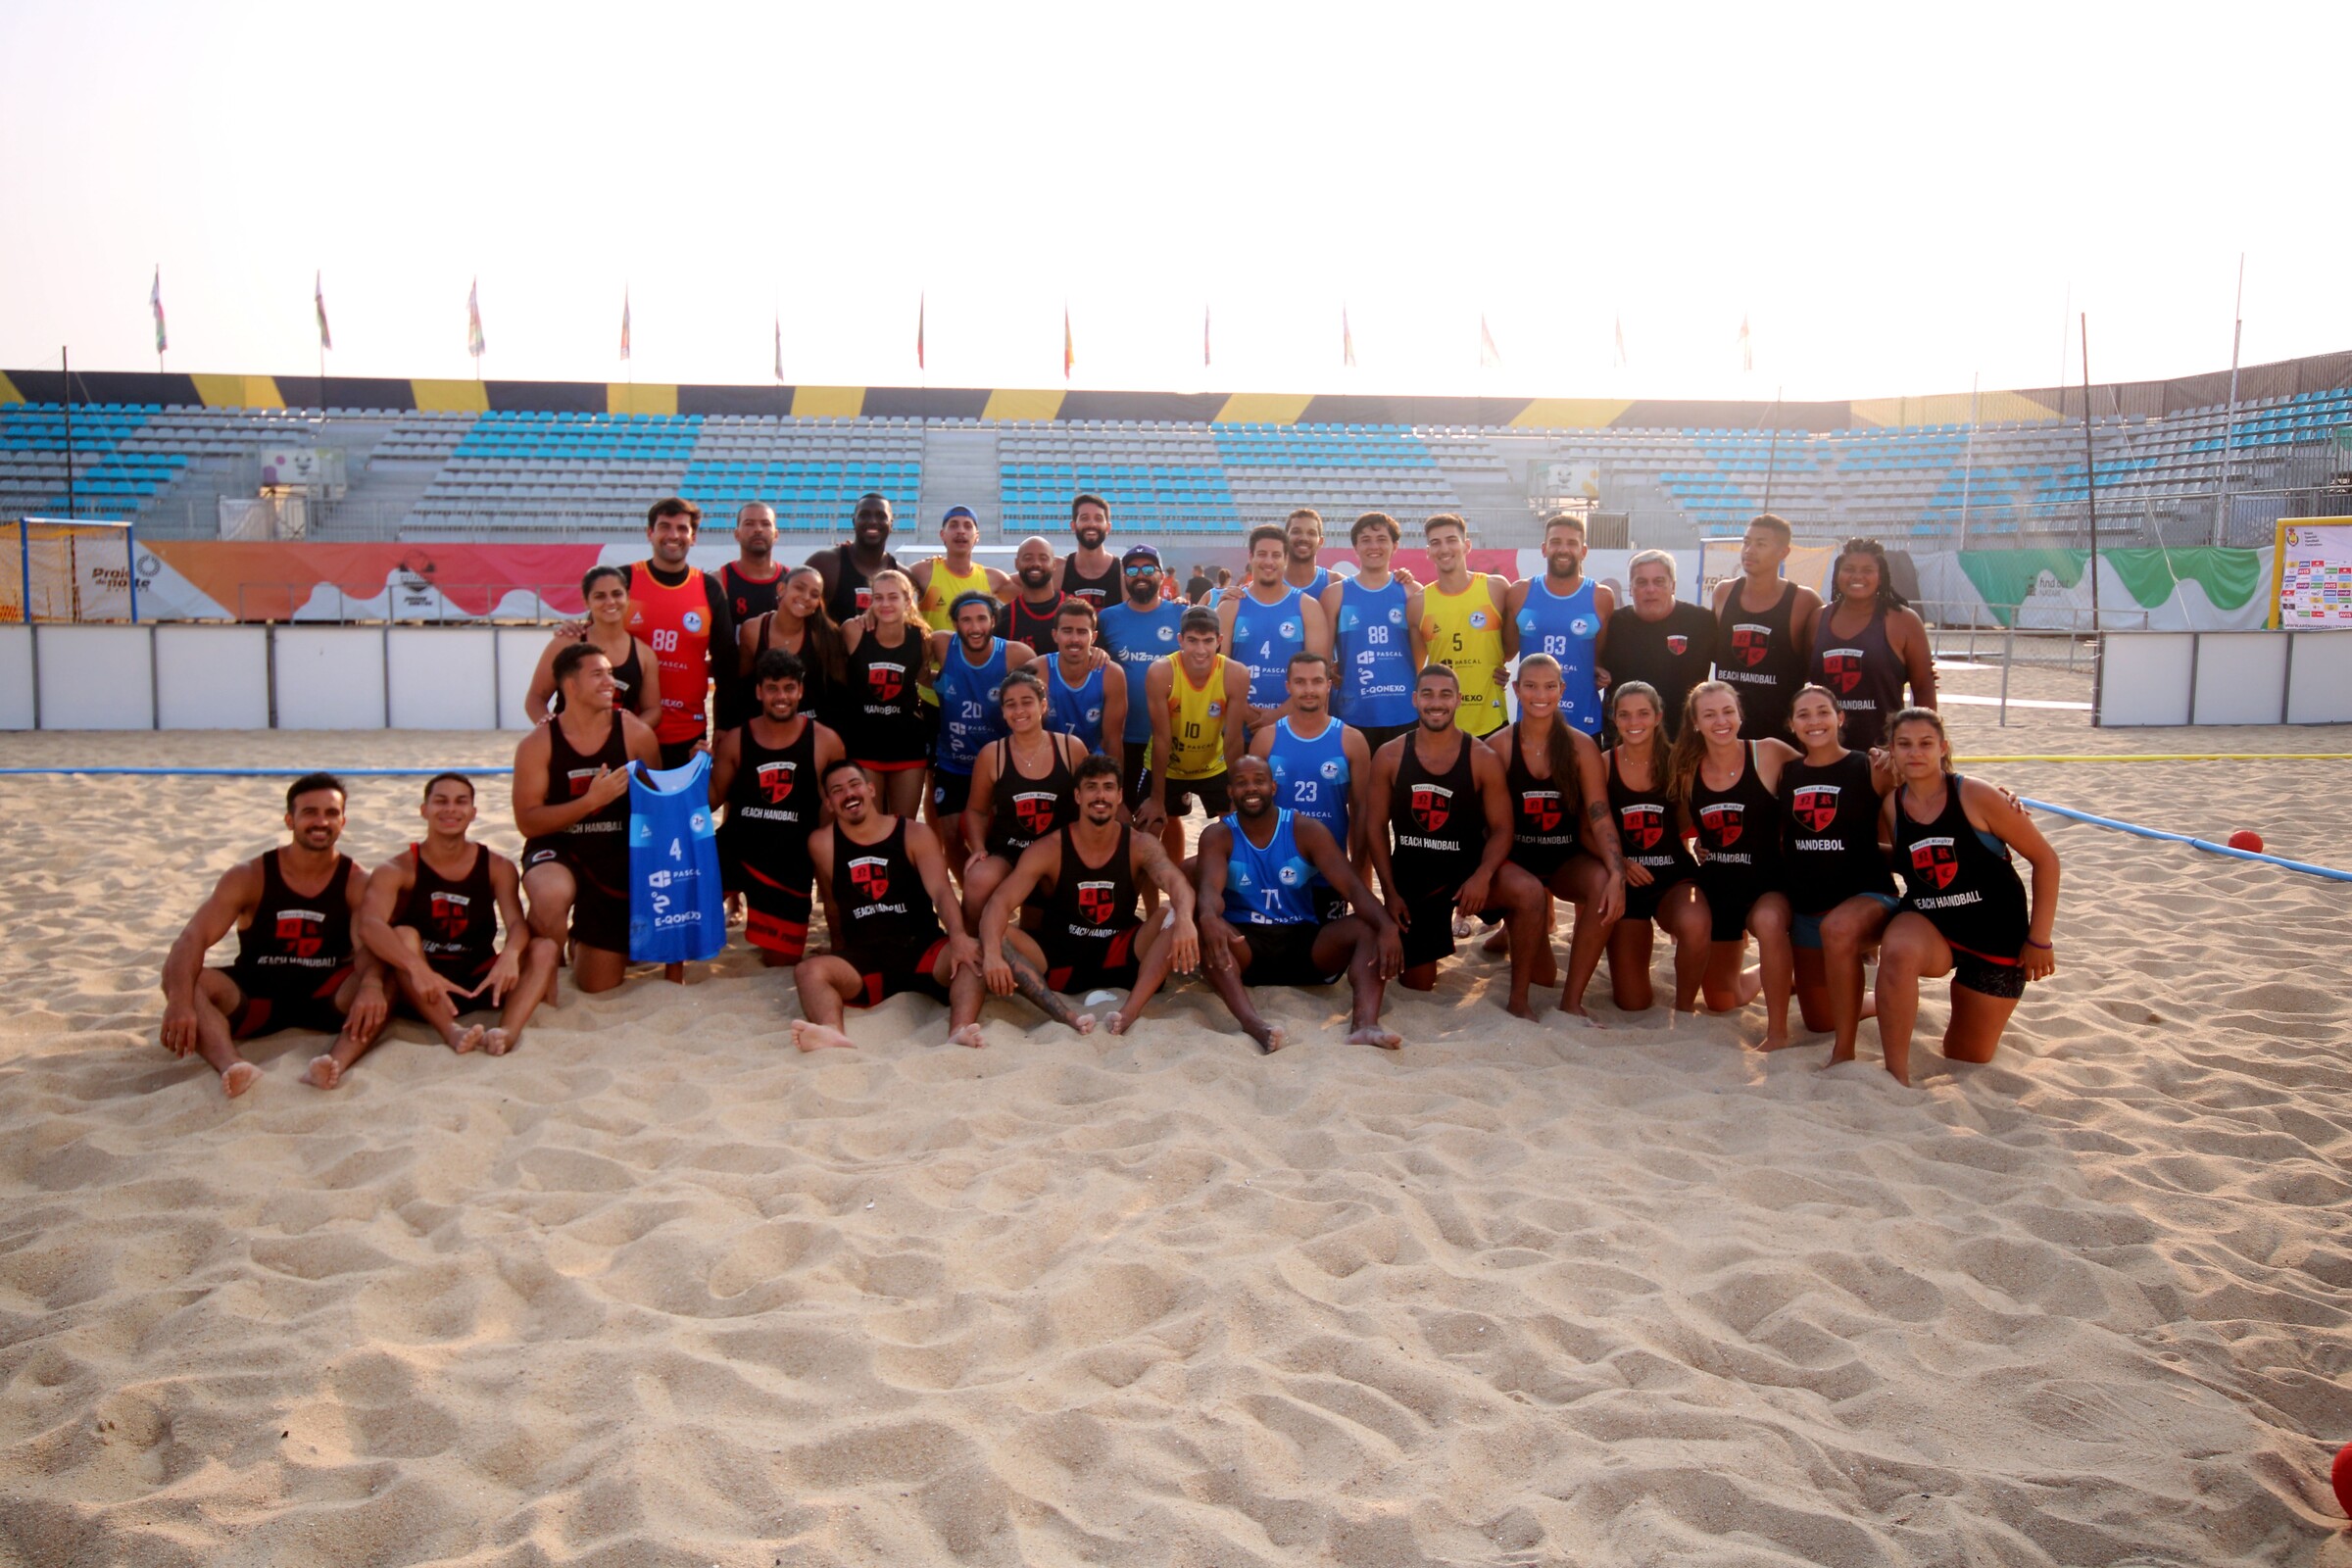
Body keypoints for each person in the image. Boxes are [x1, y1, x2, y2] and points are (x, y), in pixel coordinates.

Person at [158, 772, 386, 1098]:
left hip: (328, 1000)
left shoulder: (356, 881)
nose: (321, 821)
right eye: (310, 812)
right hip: (256, 998)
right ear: (289, 820)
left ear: (343, 821)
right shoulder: (248, 876)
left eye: (331, 813)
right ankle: (232, 1065)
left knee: (384, 979)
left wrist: (372, 985)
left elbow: (368, 948)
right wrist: (179, 1003)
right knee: (181, 978)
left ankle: (334, 1062)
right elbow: (192, 939)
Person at [1869, 708, 2059, 1085]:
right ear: (1892, 751)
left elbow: (2046, 860)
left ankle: (1883, 1003)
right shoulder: (1892, 804)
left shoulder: (1976, 794)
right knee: (1898, 949)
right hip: (1933, 926)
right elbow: (1909, 862)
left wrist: (2040, 939)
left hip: (1995, 937)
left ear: (1943, 747)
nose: (1915, 753)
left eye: (1925, 743)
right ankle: (1896, 1076)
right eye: (1904, 744)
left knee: (1965, 1054)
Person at [1365, 663, 1550, 1017]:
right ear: (1415, 699)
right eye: (1429, 694)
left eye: (1446, 694)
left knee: (1530, 894)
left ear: (1459, 701)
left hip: (1469, 872)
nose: (1437, 702)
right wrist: (1389, 892)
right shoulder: (1389, 756)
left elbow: (1502, 829)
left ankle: (1518, 998)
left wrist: (1482, 875)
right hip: (1415, 880)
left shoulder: (1482, 758)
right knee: (1418, 985)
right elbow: (1374, 828)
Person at [977, 753, 1201, 1036]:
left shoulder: (1139, 845)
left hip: (1120, 954)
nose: (1100, 795)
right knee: (994, 936)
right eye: (1092, 787)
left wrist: (1184, 919)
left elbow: (1176, 882)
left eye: (1108, 787)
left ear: (1120, 796)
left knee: (1172, 914)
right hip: (1060, 959)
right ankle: (1064, 1014)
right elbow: (1000, 902)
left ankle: (1128, 1013)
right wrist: (993, 954)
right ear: (1077, 796)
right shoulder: (1049, 849)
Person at [1195, 755, 1404, 1054]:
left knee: (1369, 927)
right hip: (1246, 944)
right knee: (1208, 928)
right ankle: (1254, 1025)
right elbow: (1209, 892)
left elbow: (1353, 888)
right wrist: (1208, 916)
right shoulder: (1217, 835)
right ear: (1230, 792)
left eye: (1259, 781)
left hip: (1303, 941)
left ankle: (1365, 1025)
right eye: (1241, 783)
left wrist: (1387, 926)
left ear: (1273, 786)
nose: (1251, 788)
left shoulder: (1306, 830)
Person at [356, 772, 558, 1069]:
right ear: (424, 810)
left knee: (546, 949)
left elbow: (516, 923)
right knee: (403, 934)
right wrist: (415, 968)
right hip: (422, 984)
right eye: (441, 801)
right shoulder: (397, 868)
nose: (451, 809)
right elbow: (370, 924)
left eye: (460, 802)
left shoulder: (497, 866)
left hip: (478, 978)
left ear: (473, 813)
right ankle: (450, 1030)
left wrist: (511, 955)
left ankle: (506, 1032)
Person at [790, 760, 987, 1052]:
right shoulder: (822, 843)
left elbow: (942, 893)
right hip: (865, 960)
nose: (849, 794)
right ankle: (831, 1031)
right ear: (829, 804)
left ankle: (958, 1029)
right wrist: (837, 948)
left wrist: (957, 937)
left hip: (922, 950)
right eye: (838, 790)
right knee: (808, 972)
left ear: (870, 789)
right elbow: (832, 904)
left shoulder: (915, 833)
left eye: (855, 785)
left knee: (974, 958)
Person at [514, 642, 664, 996]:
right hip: (558, 847)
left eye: (611, 673)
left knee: (597, 985)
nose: (609, 682)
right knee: (551, 895)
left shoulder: (635, 733)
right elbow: (529, 823)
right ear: (570, 686)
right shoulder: (537, 743)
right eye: (598, 674)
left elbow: (657, 806)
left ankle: (580, 939)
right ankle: (543, 985)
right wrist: (590, 801)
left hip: (613, 856)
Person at [1485, 655, 1627, 1020]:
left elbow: (1599, 814)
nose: (1540, 694)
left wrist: (1617, 872)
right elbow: (1487, 824)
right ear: (1516, 690)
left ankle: (1572, 1000)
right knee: (1542, 976)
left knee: (1601, 882)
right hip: (1518, 866)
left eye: (1550, 686)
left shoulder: (1581, 747)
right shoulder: (1499, 746)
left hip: (1564, 860)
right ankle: (1518, 997)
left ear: (1562, 690)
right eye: (1530, 686)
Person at [1670, 680, 1797, 1047]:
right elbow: (1679, 829)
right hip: (1721, 889)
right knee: (1721, 1000)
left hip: (1768, 884)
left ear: (1740, 714)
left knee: (1768, 922)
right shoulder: (1687, 771)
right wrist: (1695, 848)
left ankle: (1777, 1032)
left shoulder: (1769, 753)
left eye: (1728, 711)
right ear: (1695, 722)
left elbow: (1823, 774)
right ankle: (1783, 975)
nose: (1720, 721)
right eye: (1709, 714)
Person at [1781, 683, 1900, 1061]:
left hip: (1867, 898)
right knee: (1818, 1020)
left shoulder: (1872, 766)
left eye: (1823, 712)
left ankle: (1844, 1051)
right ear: (1792, 725)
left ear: (1840, 718)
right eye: (1803, 714)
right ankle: (1876, 999)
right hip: (1808, 907)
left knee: (1839, 928)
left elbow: (1929, 802)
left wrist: (1999, 795)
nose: (1814, 721)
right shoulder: (1786, 774)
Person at [710, 649, 846, 965]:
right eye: (772, 688)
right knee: (686, 912)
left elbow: (831, 821)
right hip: (736, 851)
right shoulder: (735, 739)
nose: (781, 696)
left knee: (779, 962)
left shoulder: (826, 742)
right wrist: (690, 773)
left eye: (788, 688)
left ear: (800, 690)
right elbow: (711, 800)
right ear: (759, 692)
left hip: (787, 863)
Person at [1600, 681, 1711, 1013]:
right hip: (1627, 884)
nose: (1634, 722)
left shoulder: (1679, 761)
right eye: (1625, 715)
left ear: (1658, 716)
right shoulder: (1604, 764)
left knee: (1695, 924)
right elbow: (1586, 828)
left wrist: (1705, 840)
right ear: (1615, 719)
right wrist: (1619, 863)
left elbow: (1693, 819)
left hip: (1672, 878)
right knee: (1633, 1003)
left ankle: (1684, 1007)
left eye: (1643, 713)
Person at [1250, 651, 1372, 919]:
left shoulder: (1352, 741)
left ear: (1328, 685)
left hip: (1330, 873)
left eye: (1316, 681)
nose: (1308, 689)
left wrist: (1357, 867)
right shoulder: (1266, 739)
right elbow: (1250, 811)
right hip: (1274, 872)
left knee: (1326, 957)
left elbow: (1363, 812)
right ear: (1288, 686)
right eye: (1300, 682)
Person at [959, 666, 1088, 920]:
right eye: (1010, 704)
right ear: (1003, 713)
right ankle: (971, 950)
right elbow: (976, 810)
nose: (1018, 711)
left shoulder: (1070, 748)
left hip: (1056, 853)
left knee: (1039, 927)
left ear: (1042, 706)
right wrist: (977, 848)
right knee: (977, 882)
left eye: (1026, 702)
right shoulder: (991, 754)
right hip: (1009, 851)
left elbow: (1088, 803)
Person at [620, 496, 735, 770]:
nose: (674, 535)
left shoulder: (708, 588)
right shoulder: (624, 580)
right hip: (626, 729)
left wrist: (723, 725)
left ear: (693, 537)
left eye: (682, 528)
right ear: (650, 533)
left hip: (686, 733)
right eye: (664, 526)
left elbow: (726, 665)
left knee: (679, 813)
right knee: (628, 813)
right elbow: (593, 647)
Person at [929, 590, 1039, 872]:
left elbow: (1041, 699)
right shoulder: (940, 644)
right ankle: (972, 907)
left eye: (981, 619)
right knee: (951, 837)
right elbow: (905, 656)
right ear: (955, 623)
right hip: (954, 763)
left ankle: (997, 898)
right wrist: (938, 683)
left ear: (993, 620)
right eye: (966, 620)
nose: (975, 628)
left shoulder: (1017, 654)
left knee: (1000, 840)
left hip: (1001, 765)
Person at [1097, 545, 1189, 854]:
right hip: (1124, 736)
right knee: (1127, 818)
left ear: (1161, 575)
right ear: (1124, 576)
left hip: (1169, 735)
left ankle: (1173, 897)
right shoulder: (1108, 618)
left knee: (1171, 816)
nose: (1140, 576)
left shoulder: (1180, 613)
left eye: (1148, 569)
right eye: (1132, 569)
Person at [1807, 536, 1936, 750]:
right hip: (1825, 750)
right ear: (1838, 572)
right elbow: (1803, 676)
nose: (1857, 576)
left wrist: (1924, 739)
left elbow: (1923, 687)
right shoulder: (1817, 619)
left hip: (1882, 752)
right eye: (1849, 568)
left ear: (1881, 575)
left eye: (1867, 570)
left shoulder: (1903, 620)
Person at [1141, 607, 1250, 850]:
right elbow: (1161, 738)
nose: (1200, 650)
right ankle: (1162, 888)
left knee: (1236, 829)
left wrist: (1236, 795)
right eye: (1192, 641)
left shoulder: (1235, 674)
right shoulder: (1161, 672)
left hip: (1212, 764)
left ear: (1219, 641)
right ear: (1180, 640)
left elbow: (1233, 739)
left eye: (1208, 641)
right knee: (1150, 829)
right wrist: (1157, 799)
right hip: (1168, 766)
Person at [1710, 513, 1821, 741]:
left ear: (1783, 552)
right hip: (1728, 737)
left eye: (1761, 544)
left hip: (1781, 739)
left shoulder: (1804, 601)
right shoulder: (1723, 592)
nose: (1749, 550)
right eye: (1746, 542)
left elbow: (1817, 671)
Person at [1505, 513, 1614, 737]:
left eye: (1572, 543)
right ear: (1544, 548)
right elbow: (1505, 653)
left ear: (1583, 551)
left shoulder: (1601, 597)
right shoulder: (1520, 592)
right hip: (1531, 721)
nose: (1563, 549)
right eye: (1556, 542)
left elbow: (1599, 658)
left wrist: (1600, 671)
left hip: (1584, 722)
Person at [1322, 511, 1422, 755]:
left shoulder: (1412, 592)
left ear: (1395, 546)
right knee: (1358, 789)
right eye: (1365, 540)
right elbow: (1323, 660)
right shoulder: (1335, 594)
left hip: (1403, 710)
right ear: (1355, 547)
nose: (1373, 546)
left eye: (1381, 539)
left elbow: (1419, 658)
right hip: (1354, 711)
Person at [838, 568, 934, 818]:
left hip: (907, 743)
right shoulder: (853, 631)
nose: (885, 604)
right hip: (863, 743)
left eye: (893, 597)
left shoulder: (921, 637)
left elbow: (924, 678)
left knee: (903, 826)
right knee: (870, 824)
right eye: (878, 598)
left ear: (907, 600)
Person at [1219, 524, 1332, 730]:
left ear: (1286, 559)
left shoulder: (1308, 607)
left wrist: (1277, 716)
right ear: (1251, 556)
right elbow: (1218, 672)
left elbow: (1319, 676)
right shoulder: (1230, 606)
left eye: (1276, 555)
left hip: (1291, 727)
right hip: (1239, 725)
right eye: (1262, 554)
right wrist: (1249, 715)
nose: (1269, 561)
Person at [1597, 549, 1715, 741]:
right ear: (1631, 587)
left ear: (1673, 586)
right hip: (1626, 740)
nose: (1650, 589)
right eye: (1641, 582)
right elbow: (1593, 666)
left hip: (1683, 742)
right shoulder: (1613, 624)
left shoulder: (1702, 622)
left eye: (1659, 581)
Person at [526, 564, 662, 727]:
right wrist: (553, 734)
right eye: (600, 596)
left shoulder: (644, 653)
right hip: (571, 749)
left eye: (617, 594)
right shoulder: (566, 643)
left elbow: (653, 711)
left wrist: (628, 735)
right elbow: (535, 699)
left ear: (628, 597)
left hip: (619, 752)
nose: (610, 602)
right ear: (586, 602)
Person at [1416, 514, 1514, 738]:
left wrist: (1499, 667)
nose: (1444, 548)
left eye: (1451, 540)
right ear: (1428, 551)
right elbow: (1417, 668)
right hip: (1442, 721)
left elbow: (1509, 648)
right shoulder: (1418, 603)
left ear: (1466, 545)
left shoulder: (1496, 588)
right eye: (1435, 543)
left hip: (1491, 721)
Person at [735, 564, 848, 728]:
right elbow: (741, 685)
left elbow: (838, 691)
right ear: (781, 589)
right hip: (765, 727)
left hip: (812, 728)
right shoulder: (753, 630)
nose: (806, 596)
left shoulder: (823, 636)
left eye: (814, 594)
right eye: (800, 588)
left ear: (817, 603)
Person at [715, 502, 786, 731]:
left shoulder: (791, 582)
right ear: (737, 533)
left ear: (775, 534)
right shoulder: (719, 581)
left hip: (781, 697)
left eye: (765, 524)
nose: (758, 529)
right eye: (749, 523)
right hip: (736, 698)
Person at [1043, 596, 1124, 763]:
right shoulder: (1039, 671)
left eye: (1082, 632)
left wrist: (1116, 786)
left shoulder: (1112, 675)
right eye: (1067, 631)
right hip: (1048, 762)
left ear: (1093, 637)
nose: (1074, 639)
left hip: (1092, 763)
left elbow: (1112, 740)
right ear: (1055, 635)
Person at [808, 492, 904, 624]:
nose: (873, 521)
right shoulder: (824, 564)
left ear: (891, 525)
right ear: (854, 522)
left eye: (881, 516)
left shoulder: (902, 575)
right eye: (864, 515)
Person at [911, 505, 1008, 630]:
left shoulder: (993, 578)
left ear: (977, 536)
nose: (961, 531)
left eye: (968, 526)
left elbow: (1031, 590)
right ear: (942, 534)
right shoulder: (922, 572)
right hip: (934, 650)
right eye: (953, 525)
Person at [1056, 492, 1120, 613]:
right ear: (1073, 525)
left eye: (1098, 518)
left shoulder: (1123, 572)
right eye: (1084, 518)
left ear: (1108, 527)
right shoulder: (1058, 569)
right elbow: (1009, 584)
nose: (1092, 524)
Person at [1003, 535, 1068, 652]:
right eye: (1028, 558)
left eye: (1043, 558)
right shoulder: (1005, 617)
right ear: (1017, 564)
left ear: (1054, 565)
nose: (1036, 564)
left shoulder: (1075, 609)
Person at [1282, 507, 1332, 595]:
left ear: (1320, 542)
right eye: (1296, 532)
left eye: (1311, 533)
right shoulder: (1267, 585)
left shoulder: (1337, 584)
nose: (1304, 538)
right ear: (1285, 538)